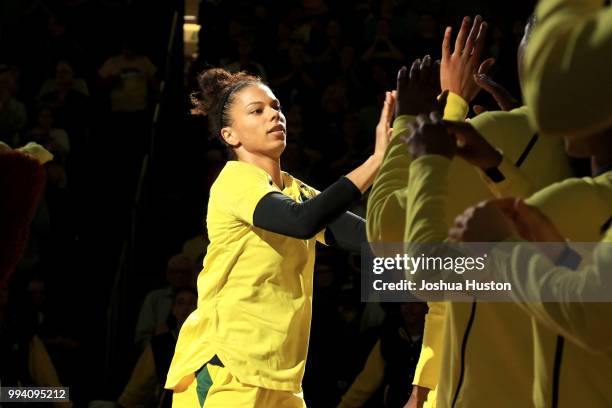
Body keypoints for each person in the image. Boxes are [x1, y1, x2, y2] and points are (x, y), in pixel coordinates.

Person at [165, 68, 394, 407]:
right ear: (230, 135)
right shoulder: (235, 181)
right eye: (257, 110)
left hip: (282, 379)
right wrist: (376, 161)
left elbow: (368, 236)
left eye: (276, 107)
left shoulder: (294, 191)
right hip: (225, 370)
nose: (274, 114)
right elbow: (301, 221)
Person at [118, 287, 198, 408]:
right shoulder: (160, 344)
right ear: (173, 310)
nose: (186, 309)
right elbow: (138, 386)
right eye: (180, 303)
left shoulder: (208, 342)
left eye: (191, 303)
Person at [338, 302, 426, 408]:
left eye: (416, 303)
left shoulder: (437, 341)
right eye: (404, 302)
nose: (409, 308)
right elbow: (367, 380)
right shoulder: (389, 336)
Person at [134, 254, 195, 348]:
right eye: (175, 272)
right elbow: (142, 336)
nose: (180, 276)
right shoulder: (155, 298)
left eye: (184, 272)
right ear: (168, 274)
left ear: (191, 275)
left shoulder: (201, 297)